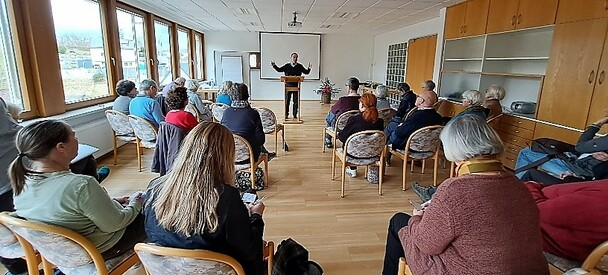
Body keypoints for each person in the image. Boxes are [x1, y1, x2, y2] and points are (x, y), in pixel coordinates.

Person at [382, 114, 549, 275]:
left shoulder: (454, 190)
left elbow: (426, 244)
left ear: (453, 148)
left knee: (399, 221)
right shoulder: (519, 186)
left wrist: (417, 217)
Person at [9, 120, 146, 260]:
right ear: (61, 147)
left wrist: (112, 202)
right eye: (74, 137)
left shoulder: (22, 183)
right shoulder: (81, 185)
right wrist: (137, 201)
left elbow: (66, 209)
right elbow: (116, 223)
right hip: (102, 248)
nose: (77, 140)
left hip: (59, 253)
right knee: (156, 207)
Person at [144, 122, 266, 275]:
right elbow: (249, 251)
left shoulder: (155, 188)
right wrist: (256, 216)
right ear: (226, 157)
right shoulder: (227, 197)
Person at [524, 180, 608, 262]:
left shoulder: (602, 201)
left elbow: (540, 211)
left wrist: (530, 185)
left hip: (531, 224)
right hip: (537, 212)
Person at [515, 112, 608, 180]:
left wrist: (597, 124)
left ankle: (517, 187)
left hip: (577, 171)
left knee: (526, 153)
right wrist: (593, 152)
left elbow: (579, 147)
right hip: (580, 164)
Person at [221, 83, 275, 161]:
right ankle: (265, 156)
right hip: (249, 156)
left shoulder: (226, 112)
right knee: (252, 138)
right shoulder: (253, 113)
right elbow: (261, 140)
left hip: (228, 155)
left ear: (231, 97)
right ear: (247, 95)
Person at [338, 93, 384, 178]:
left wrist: (339, 134)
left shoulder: (354, 120)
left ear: (362, 105)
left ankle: (352, 170)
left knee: (348, 142)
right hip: (373, 153)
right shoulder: (380, 121)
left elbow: (342, 138)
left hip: (353, 154)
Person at [271, 52, 311, 119]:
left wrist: (309, 68)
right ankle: (286, 114)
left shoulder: (299, 66)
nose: (295, 58)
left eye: (296, 57)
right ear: (291, 58)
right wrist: (274, 65)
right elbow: (279, 70)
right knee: (287, 101)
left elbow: (306, 72)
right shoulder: (287, 66)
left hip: (296, 86)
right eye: (293, 57)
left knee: (296, 101)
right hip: (288, 86)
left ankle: (295, 115)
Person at [324, 77, 361, 148]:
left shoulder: (343, 100)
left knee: (329, 116)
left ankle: (328, 140)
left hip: (341, 127)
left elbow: (333, 111)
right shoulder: (362, 100)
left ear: (349, 88)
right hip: (357, 126)